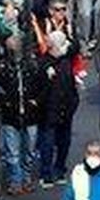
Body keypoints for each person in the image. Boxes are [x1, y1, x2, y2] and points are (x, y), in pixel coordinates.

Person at [0, 34, 41, 195]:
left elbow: (41, 86)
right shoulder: (2, 67)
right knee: (12, 152)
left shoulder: (32, 65)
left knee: (30, 149)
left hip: (31, 114)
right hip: (10, 114)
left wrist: (36, 100)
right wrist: (5, 103)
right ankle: (16, 180)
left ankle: (26, 178)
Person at [36, 31, 79, 187]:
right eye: (63, 43)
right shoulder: (43, 63)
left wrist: (73, 104)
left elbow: (71, 87)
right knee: (47, 144)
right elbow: (39, 88)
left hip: (66, 111)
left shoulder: (66, 62)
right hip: (48, 111)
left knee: (64, 143)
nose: (66, 46)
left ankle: (60, 170)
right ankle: (46, 173)